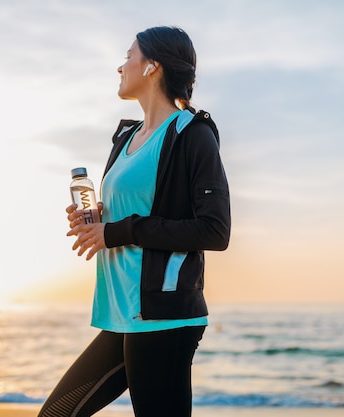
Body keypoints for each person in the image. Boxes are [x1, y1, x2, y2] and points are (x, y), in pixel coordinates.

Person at [38, 26, 231, 417]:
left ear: (152, 67)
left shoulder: (191, 134)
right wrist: (97, 220)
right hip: (121, 313)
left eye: (129, 56)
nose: (120, 66)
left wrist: (117, 231)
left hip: (163, 316)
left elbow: (215, 230)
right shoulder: (126, 137)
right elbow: (138, 208)